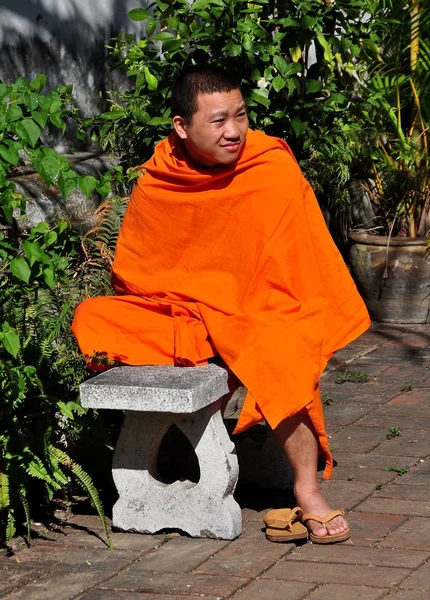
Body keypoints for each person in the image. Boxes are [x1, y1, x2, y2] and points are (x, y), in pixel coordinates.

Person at [72, 65, 370, 544]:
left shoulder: (269, 166)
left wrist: (240, 306)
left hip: (258, 310)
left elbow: (296, 264)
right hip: (185, 312)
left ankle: (307, 490)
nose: (234, 131)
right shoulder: (160, 178)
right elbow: (139, 274)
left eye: (241, 116)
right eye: (217, 121)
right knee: (94, 317)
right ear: (181, 127)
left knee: (282, 345)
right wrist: (200, 305)